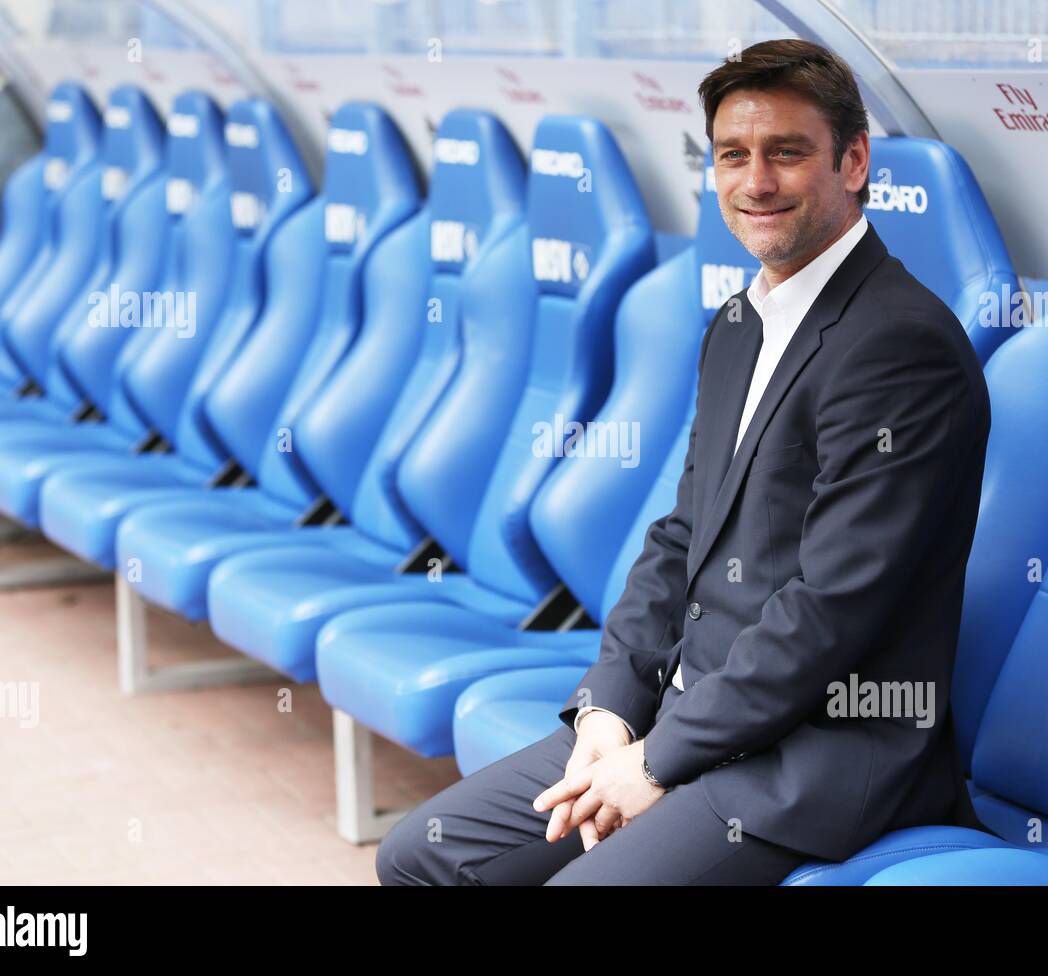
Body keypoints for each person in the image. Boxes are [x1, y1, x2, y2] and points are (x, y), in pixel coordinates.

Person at [376, 37, 991, 885]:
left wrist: (661, 759)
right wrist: (609, 713)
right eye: (733, 156)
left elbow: (833, 610)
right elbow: (679, 537)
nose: (756, 181)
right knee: (423, 856)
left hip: (814, 758)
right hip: (690, 716)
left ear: (853, 162)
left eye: (787, 152)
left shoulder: (900, 346)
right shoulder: (741, 322)